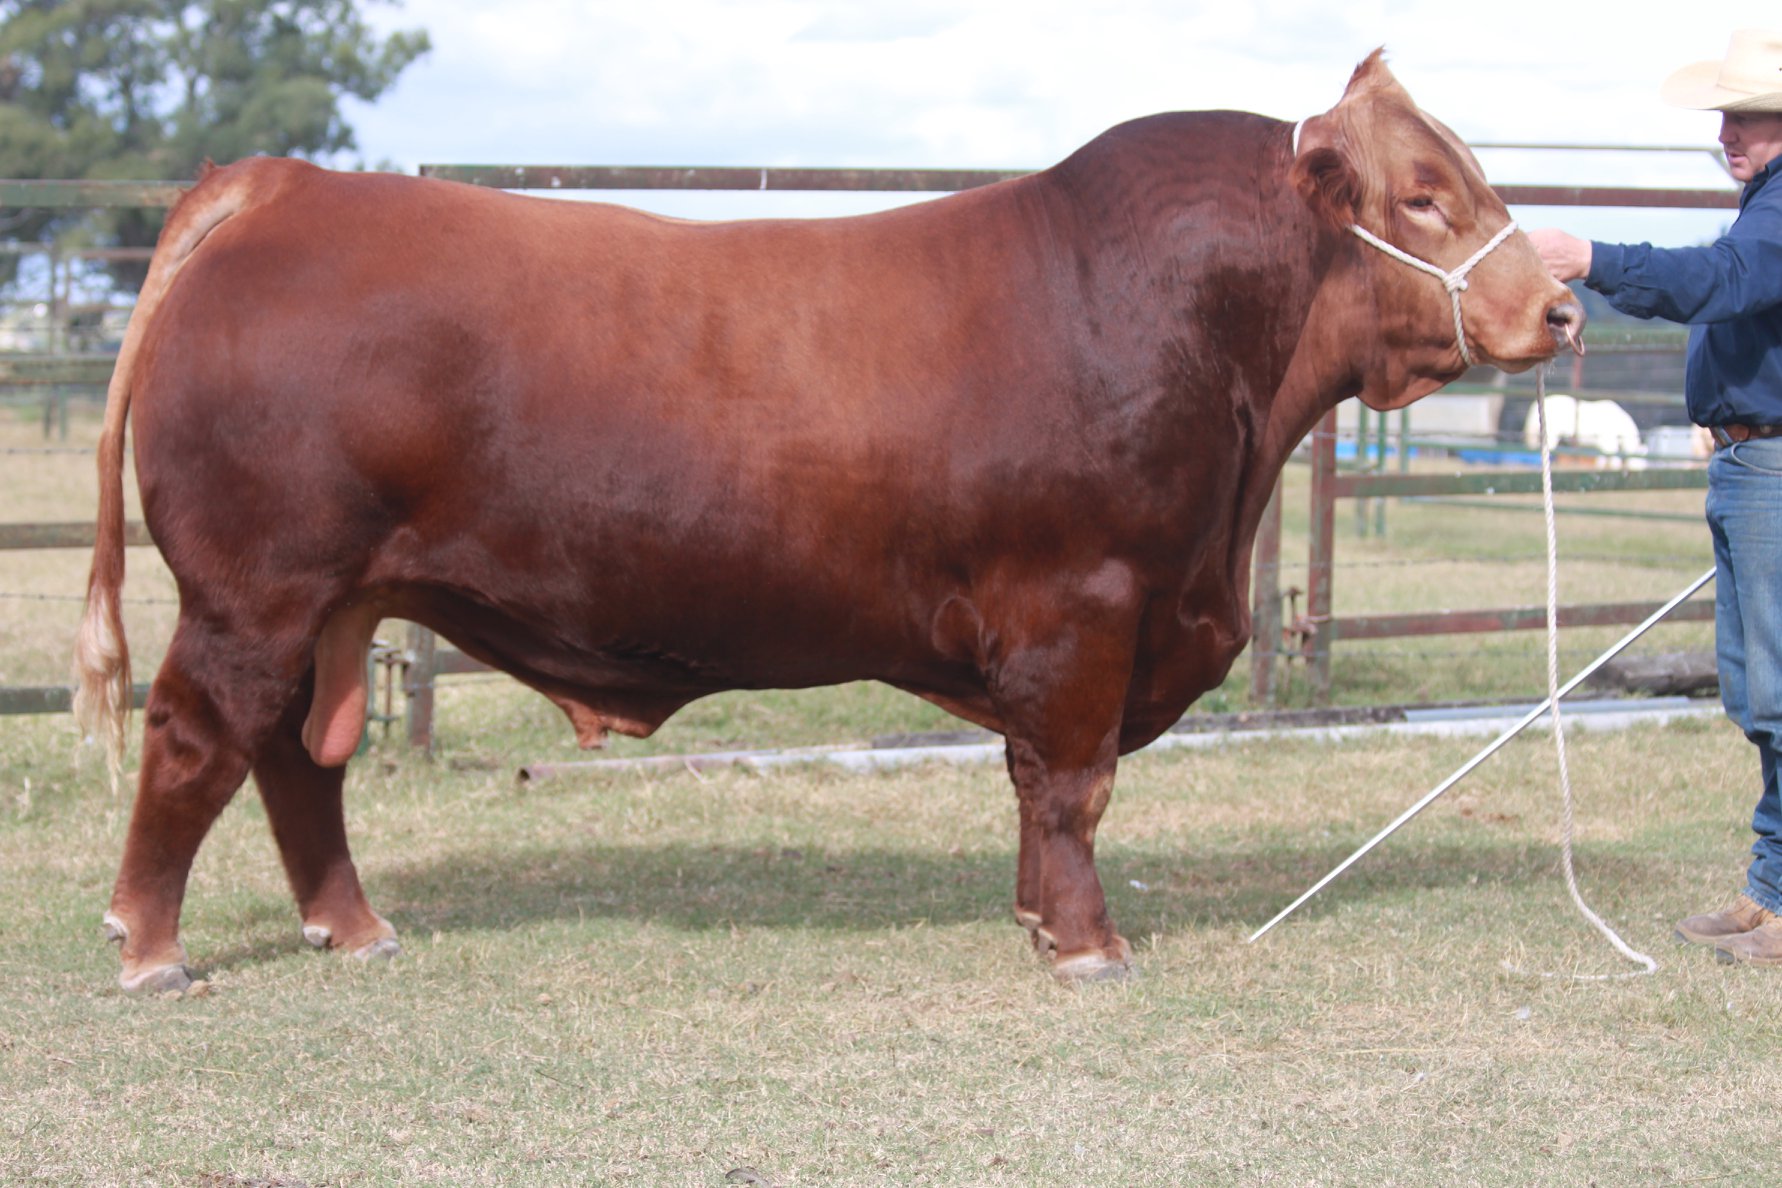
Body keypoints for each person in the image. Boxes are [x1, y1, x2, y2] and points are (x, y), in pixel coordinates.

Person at [1527, 29, 1782, 967]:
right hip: (1753, 468)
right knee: (1761, 691)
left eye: (1748, 114)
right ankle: (1771, 893)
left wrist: (1589, 254)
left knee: (1780, 692)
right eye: (1728, 114)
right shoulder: (1766, 205)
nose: (1729, 132)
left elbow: (1719, 282)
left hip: (1773, 474)